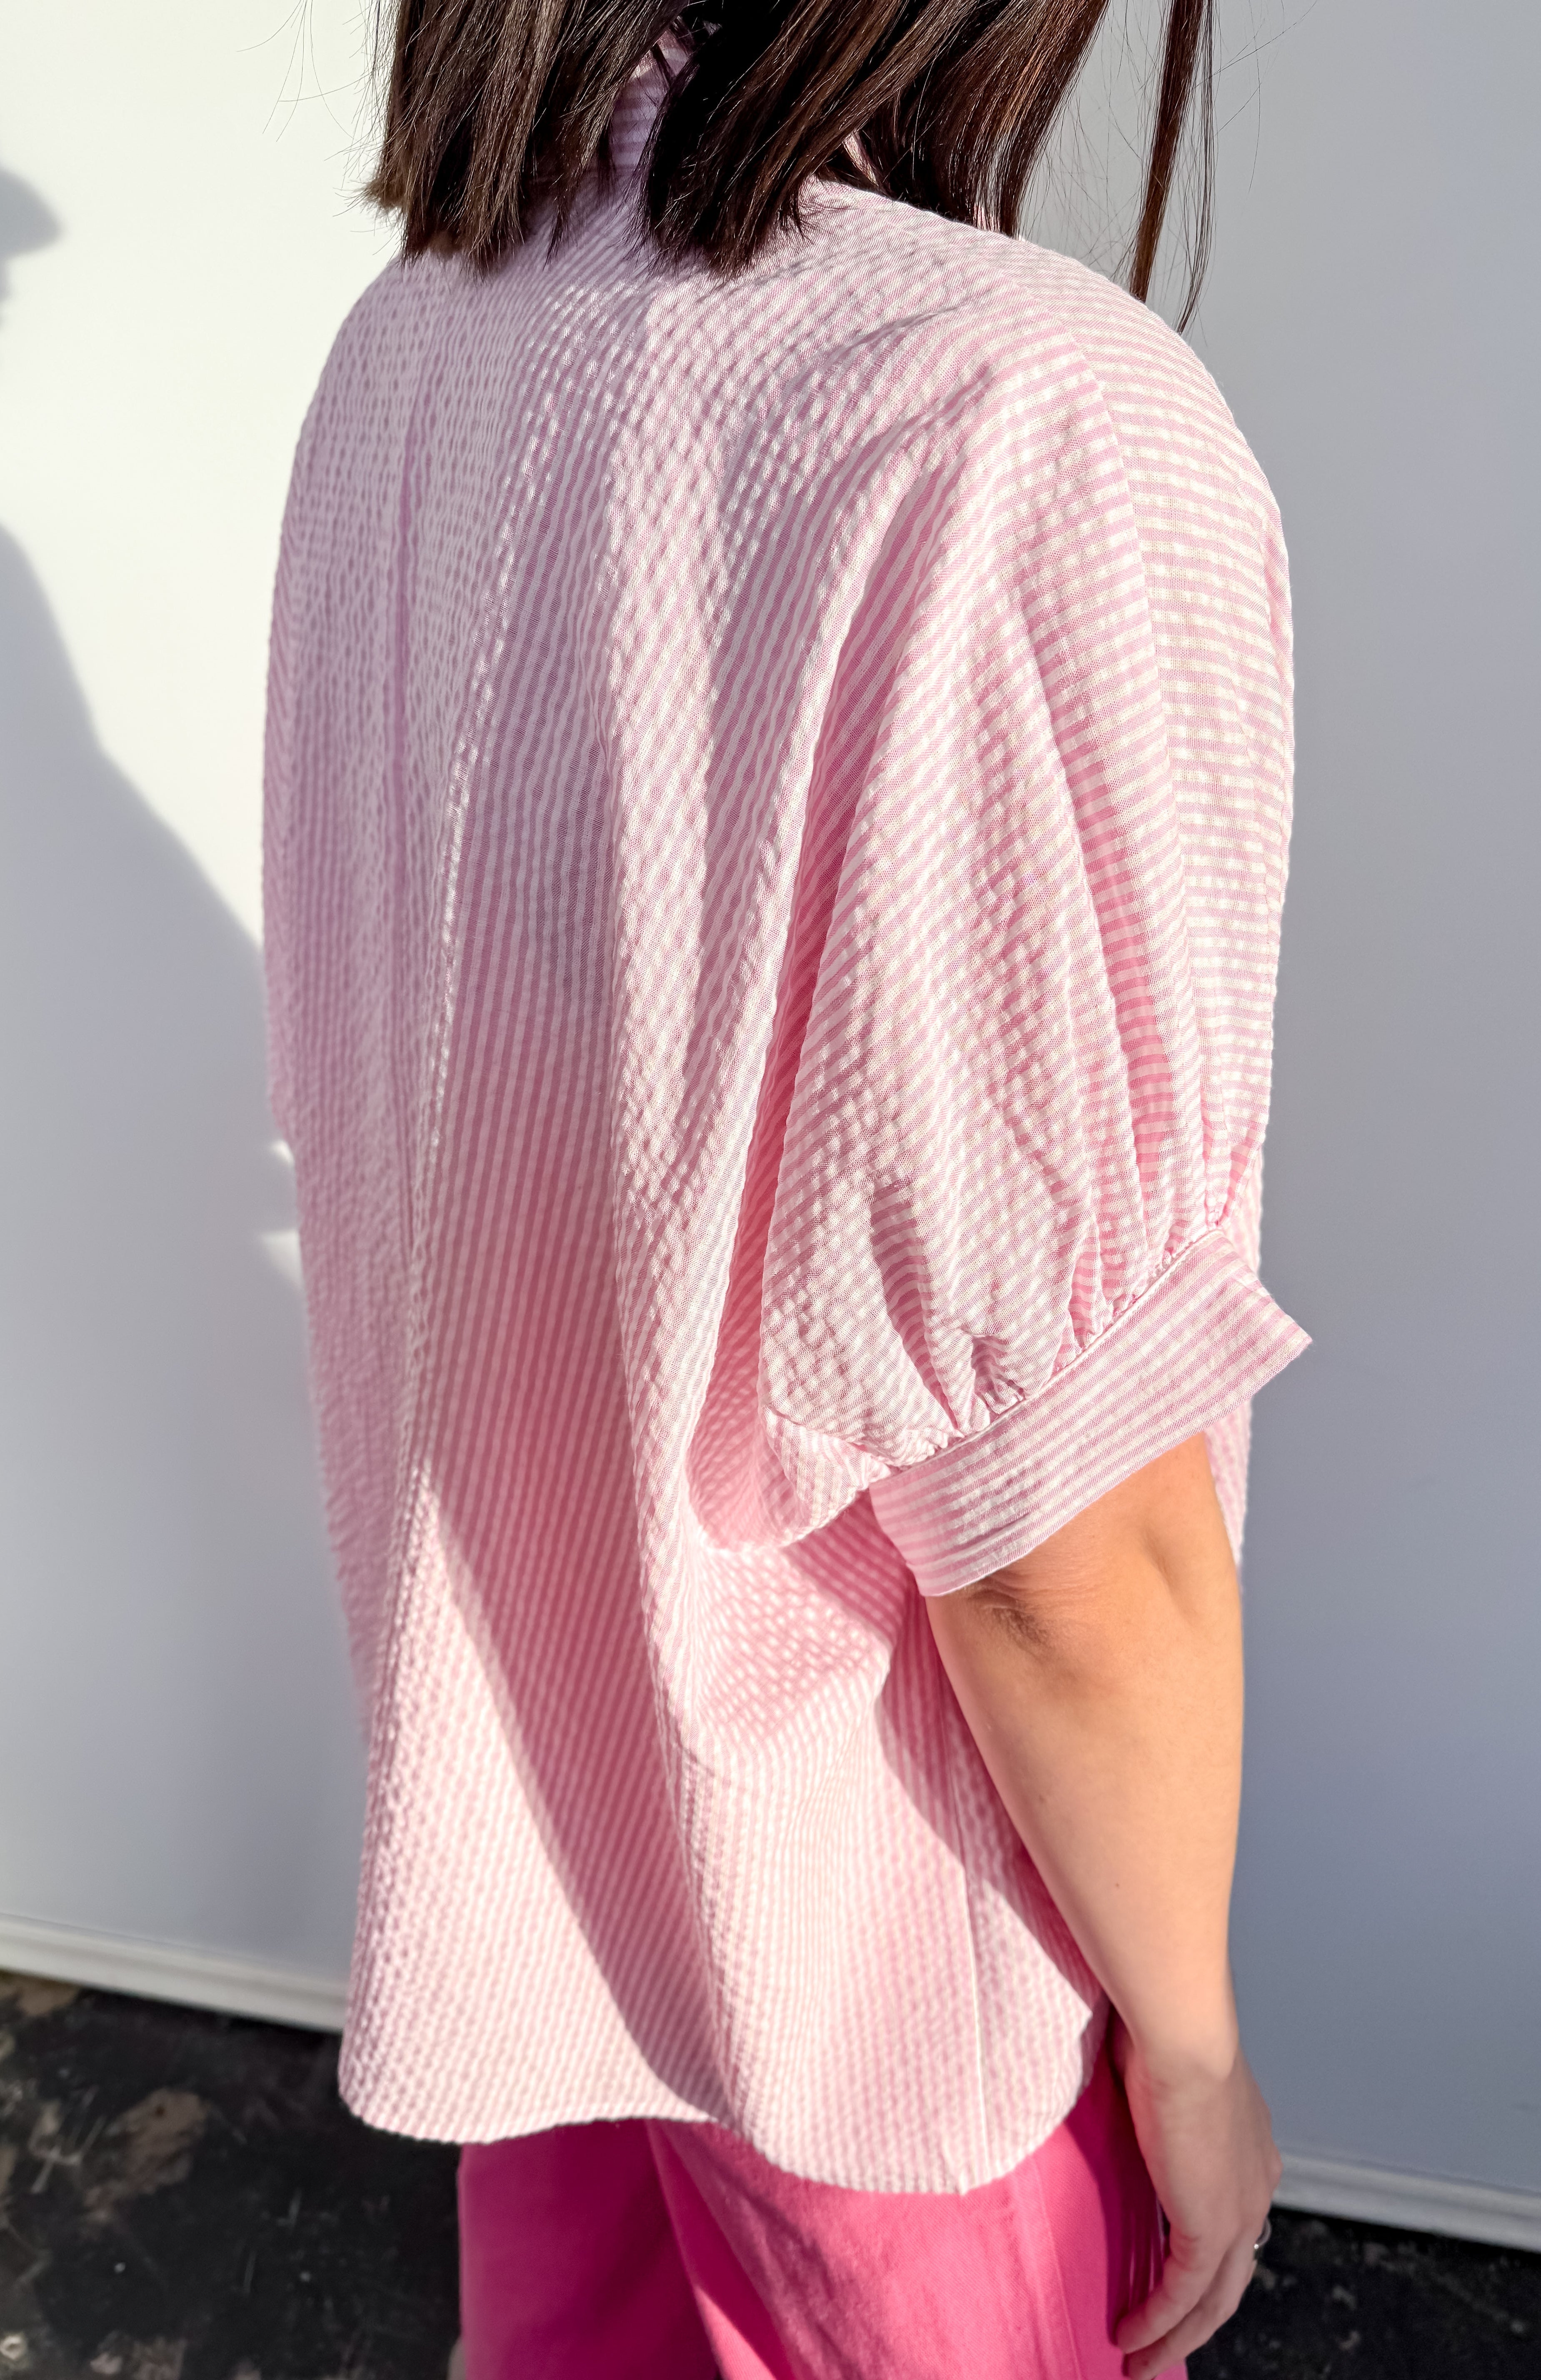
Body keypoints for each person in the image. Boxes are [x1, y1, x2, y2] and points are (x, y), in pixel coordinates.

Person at [262, 0, 1309, 2370]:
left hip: (533, 1859)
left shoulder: (406, 354)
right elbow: (1065, 1533)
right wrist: (1197, 2041)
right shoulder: (1017, 419)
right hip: (859, 1949)